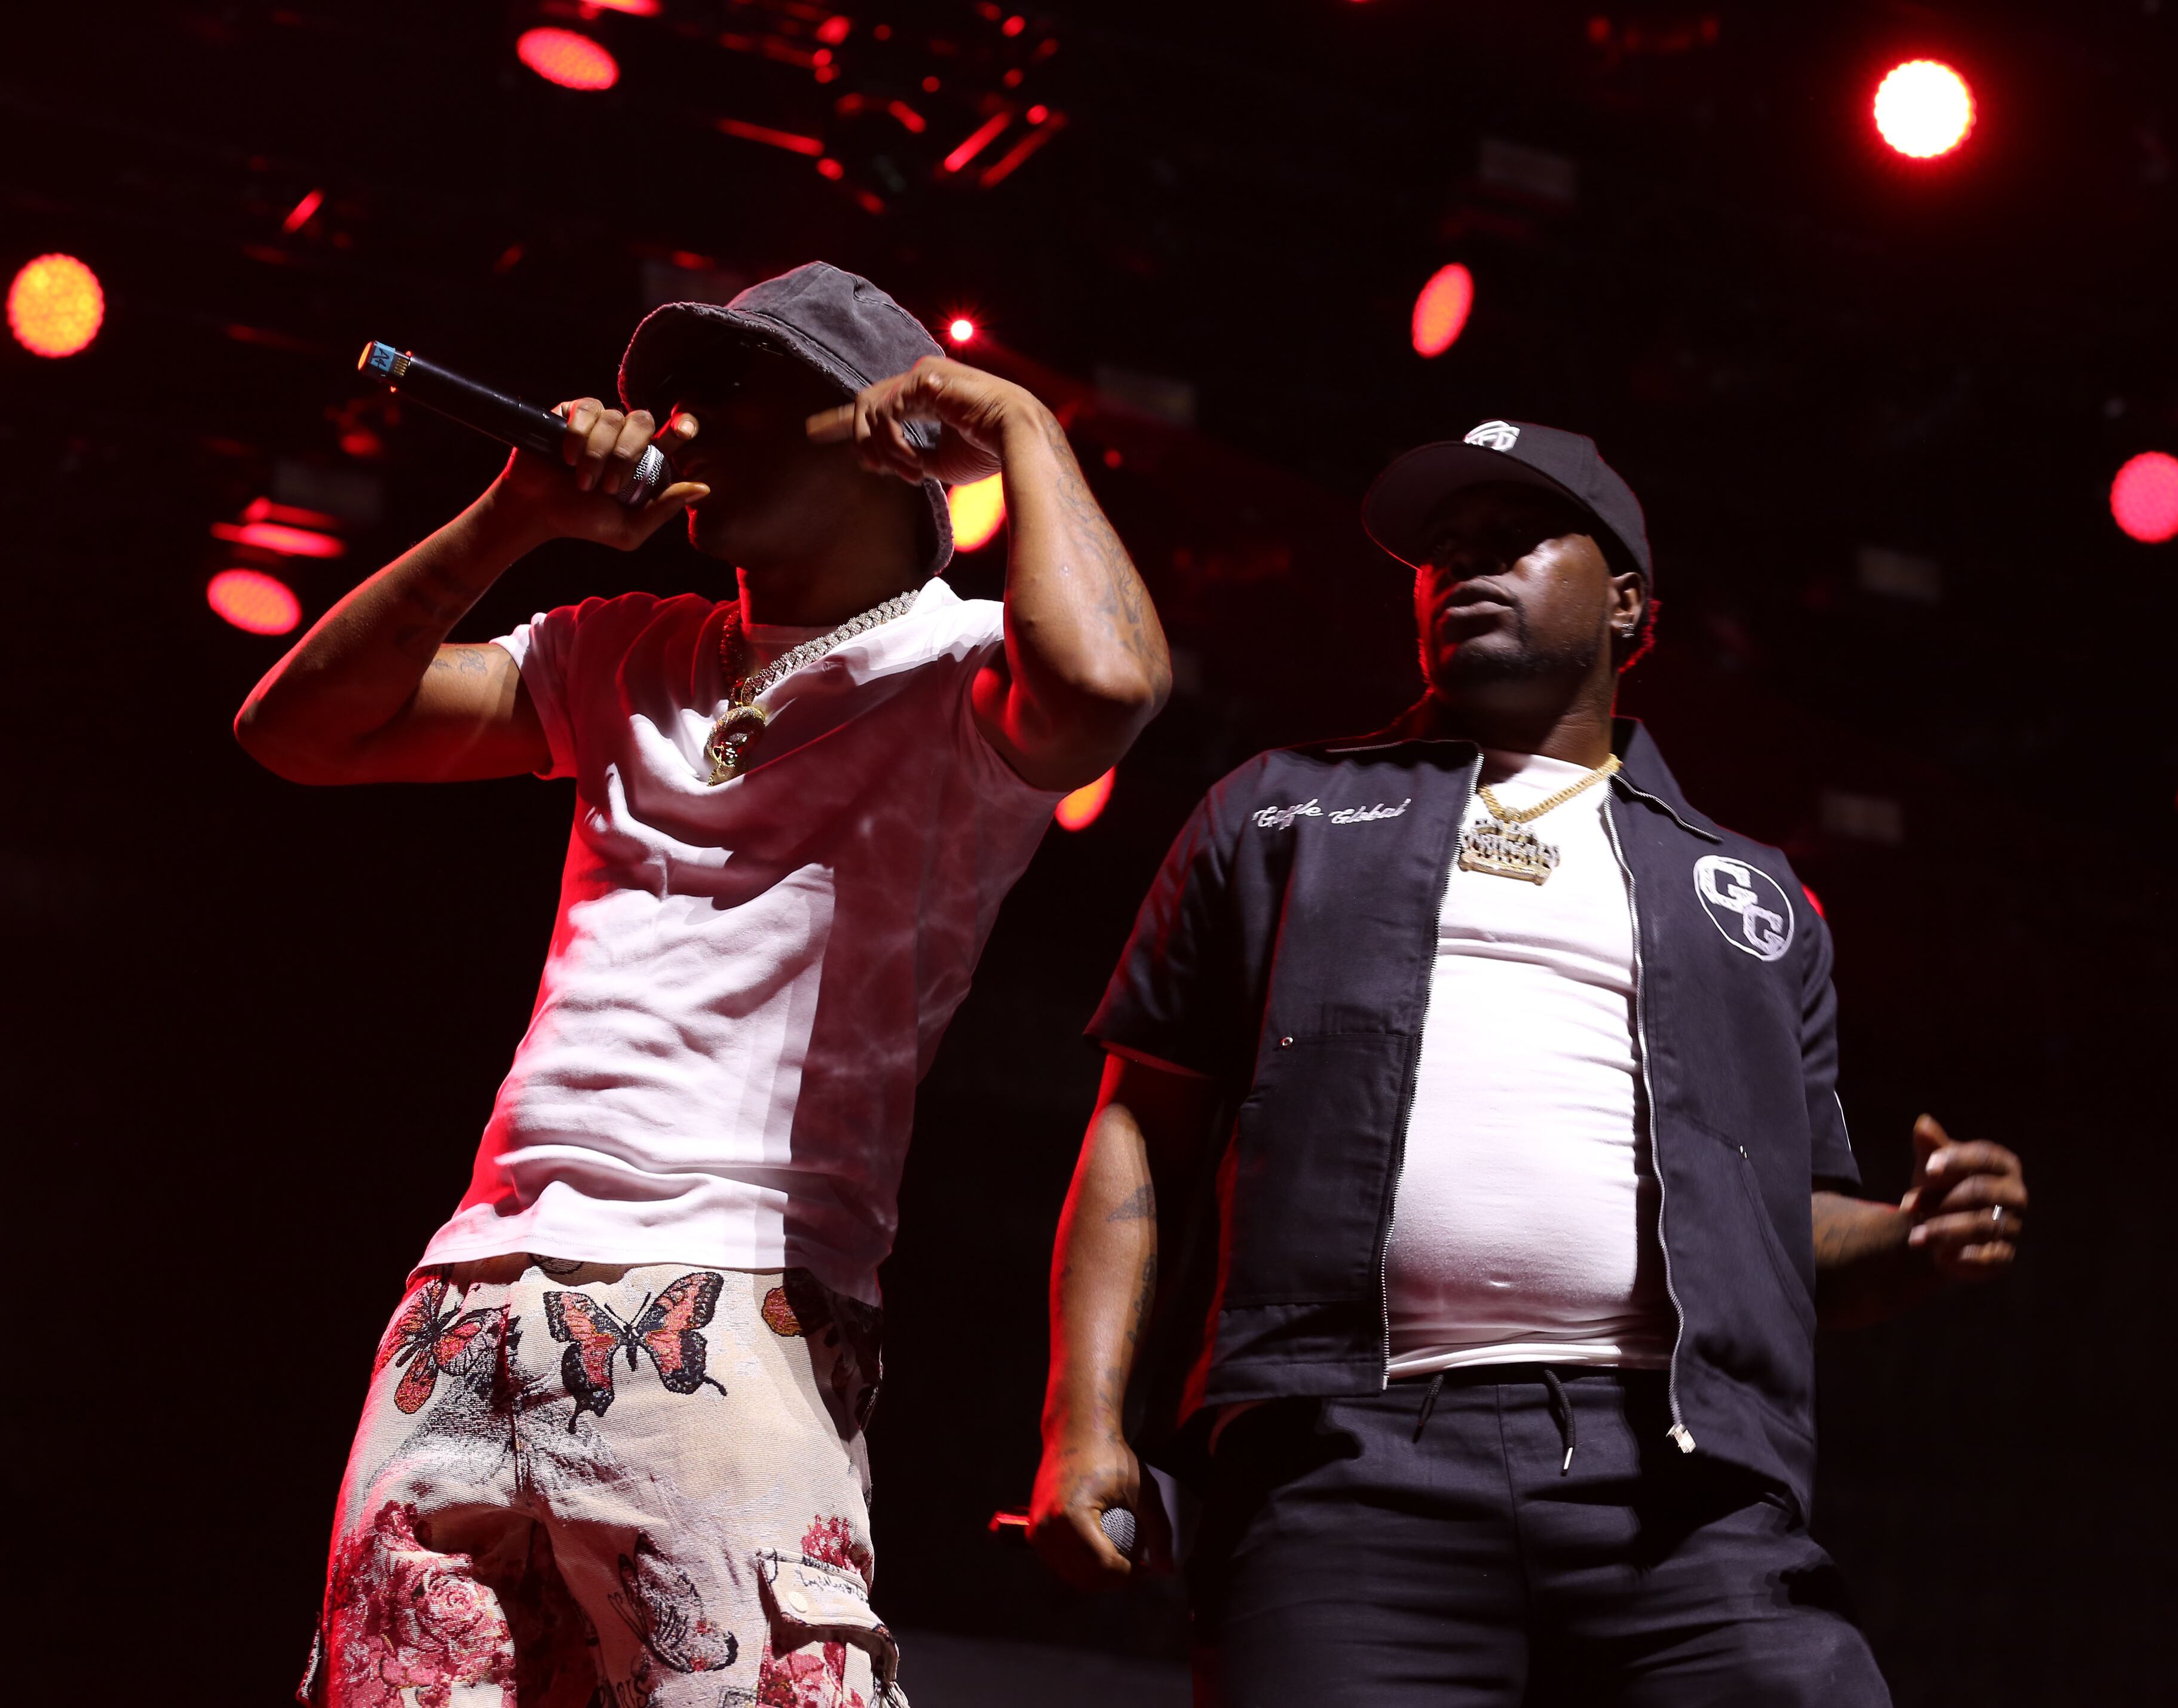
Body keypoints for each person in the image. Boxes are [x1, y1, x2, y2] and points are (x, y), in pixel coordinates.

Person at [238, 262, 1169, 1708]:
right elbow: (298, 730)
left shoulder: (966, 666)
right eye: (680, 394)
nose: (680, 423)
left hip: (729, 1292)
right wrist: (513, 517)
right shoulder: (622, 648)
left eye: (738, 393)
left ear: (882, 440)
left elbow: (1110, 690)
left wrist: (1027, 429)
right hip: (472, 1290)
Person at [1027, 419, 2028, 1705]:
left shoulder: (1755, 896)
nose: (1464, 567)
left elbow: (1790, 1233)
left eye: (1511, 539)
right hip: (1346, 1472)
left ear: (1627, 602)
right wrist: (1081, 1424)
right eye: (1442, 549)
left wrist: (1914, 1235)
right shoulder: (1279, 811)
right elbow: (1139, 1137)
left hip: (1677, 1487)